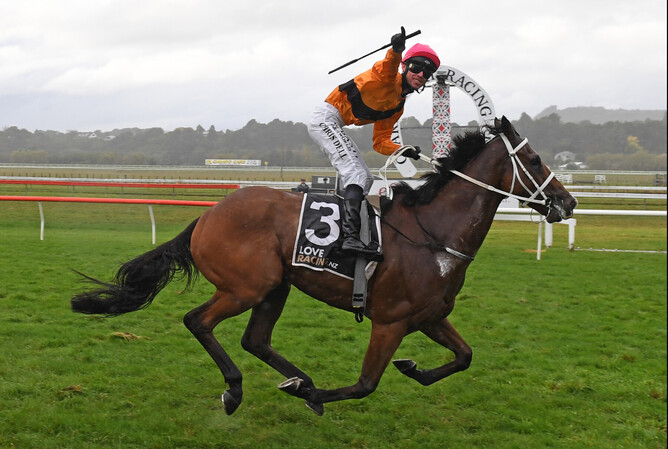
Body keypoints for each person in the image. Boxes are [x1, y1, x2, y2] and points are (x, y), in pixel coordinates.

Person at [308, 27, 440, 258]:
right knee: (356, 174)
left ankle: (346, 230)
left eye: (426, 73)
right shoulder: (385, 76)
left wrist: (403, 149)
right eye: (417, 67)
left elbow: (380, 142)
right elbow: (389, 65)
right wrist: (397, 49)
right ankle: (349, 239)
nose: (421, 74)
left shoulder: (397, 107)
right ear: (405, 66)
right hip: (325, 118)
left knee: (366, 178)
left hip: (335, 123)